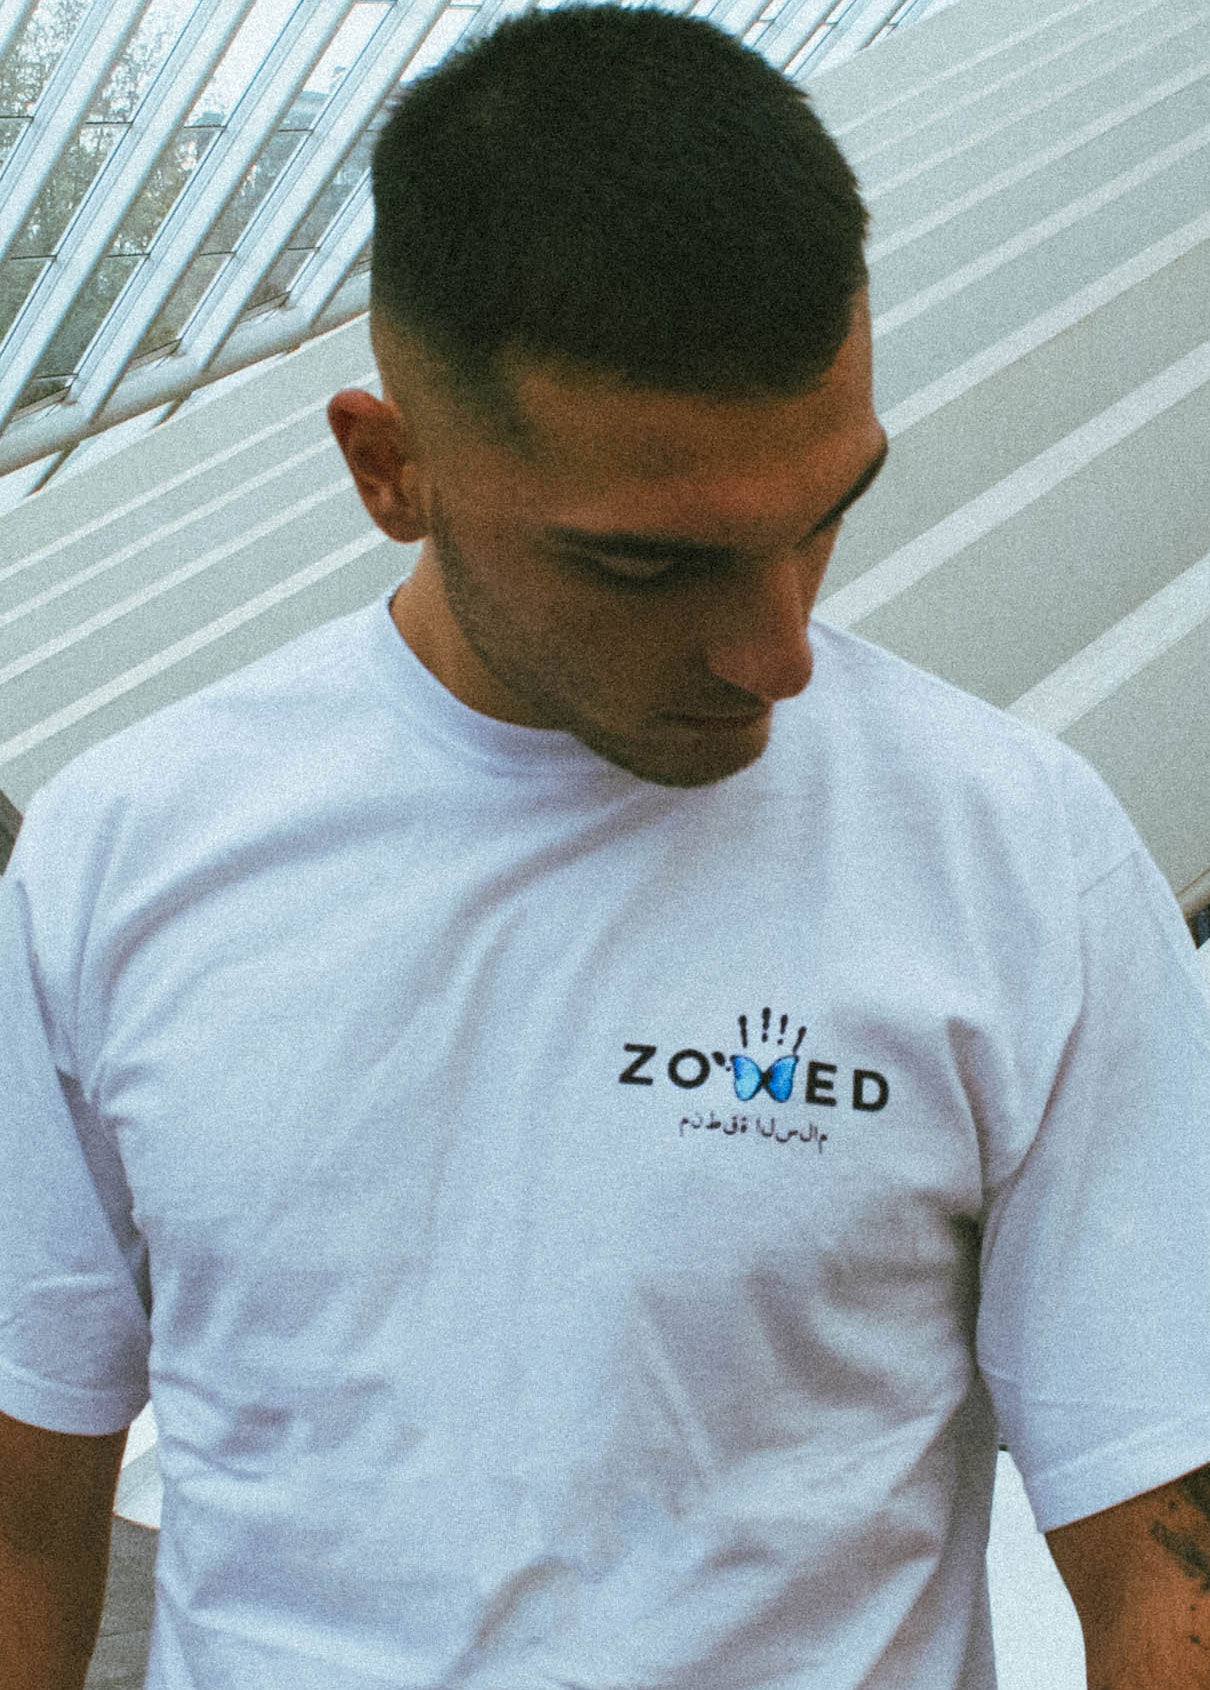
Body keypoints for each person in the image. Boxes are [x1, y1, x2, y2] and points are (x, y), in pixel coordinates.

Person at [2, 5, 1210, 1687]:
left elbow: (1164, 1557)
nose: (778, 652)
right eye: (651, 565)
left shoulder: (1014, 856)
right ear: (388, 468)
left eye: (824, 517)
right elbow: (23, 1513)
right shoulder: (128, 855)